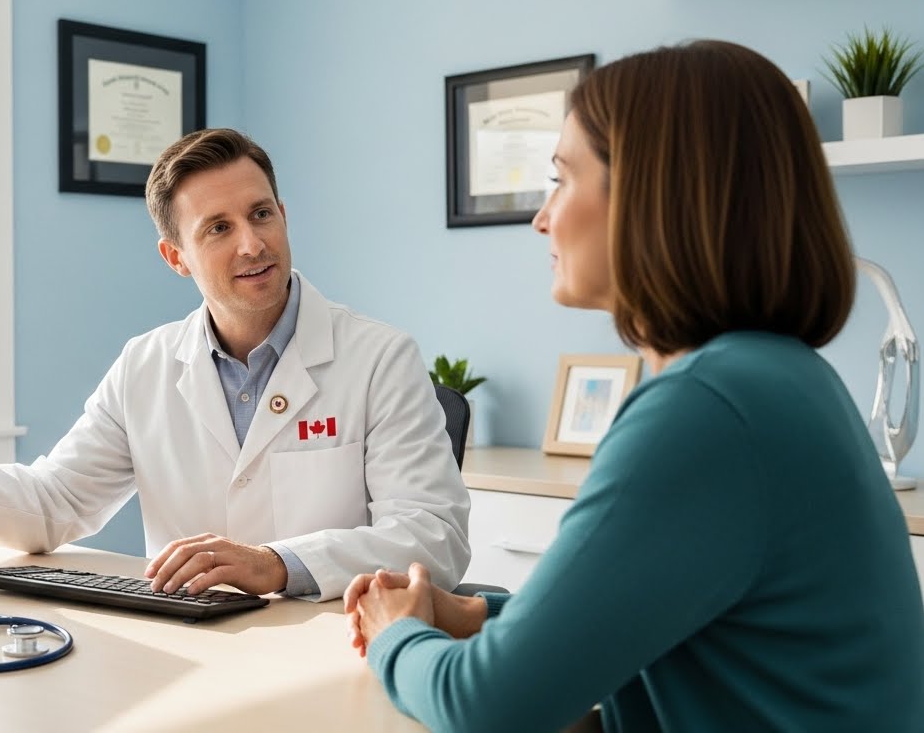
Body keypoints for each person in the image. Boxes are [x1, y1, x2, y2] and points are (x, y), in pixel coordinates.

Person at [344, 40, 924, 730]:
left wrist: (393, 633)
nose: (541, 216)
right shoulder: (781, 377)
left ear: (651, 194)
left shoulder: (706, 409)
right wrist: (474, 613)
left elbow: (484, 705)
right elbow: (664, 619)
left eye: (561, 179)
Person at [0, 127, 471, 601]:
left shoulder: (378, 357)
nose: (251, 243)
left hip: (330, 643)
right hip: (193, 646)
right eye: (217, 228)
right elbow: (51, 505)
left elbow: (431, 537)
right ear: (174, 257)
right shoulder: (146, 365)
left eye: (261, 213)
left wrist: (276, 565)